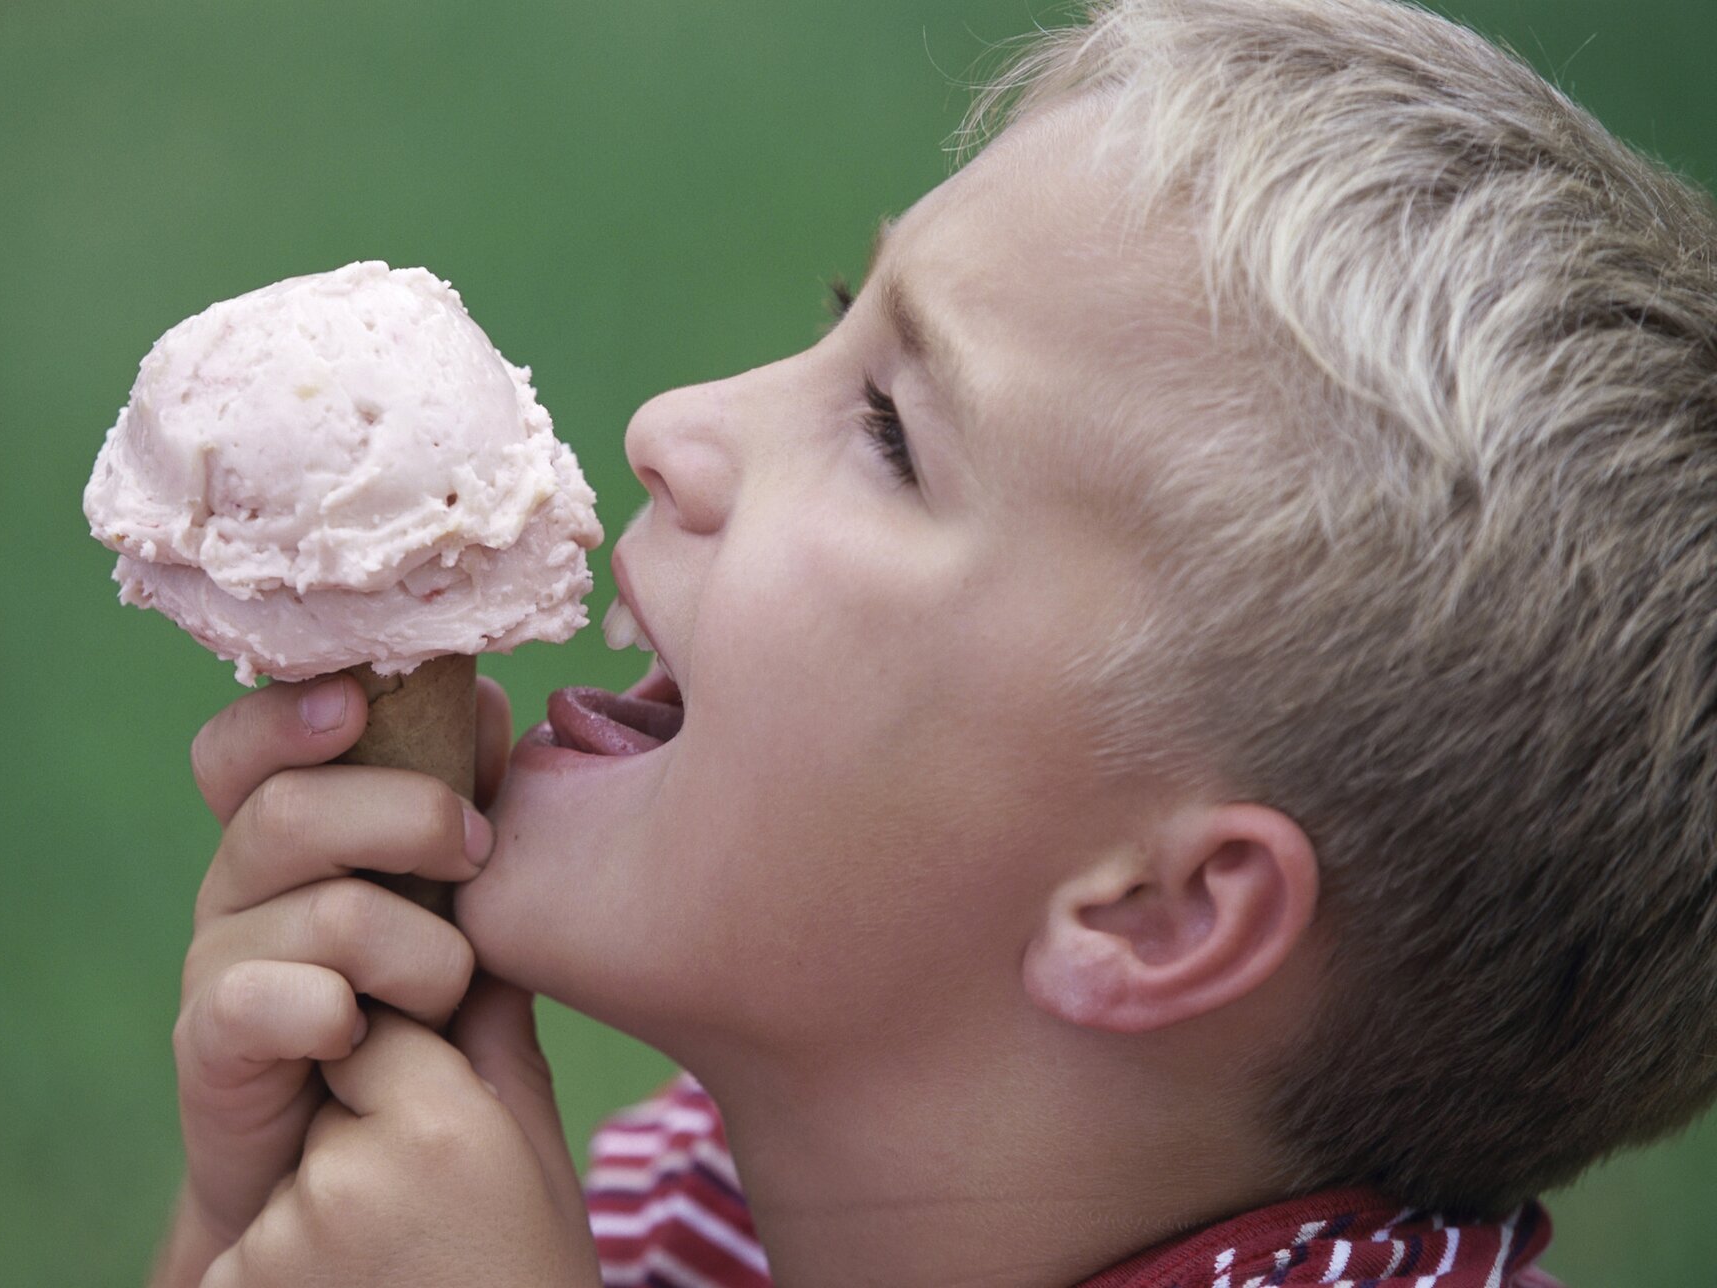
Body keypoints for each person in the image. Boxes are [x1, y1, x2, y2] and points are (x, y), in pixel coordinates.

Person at [144, 0, 1717, 1283]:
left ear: (1160, 911)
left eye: (892, 431)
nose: (668, 427)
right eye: (842, 306)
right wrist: (247, 1220)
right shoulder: (683, 1211)